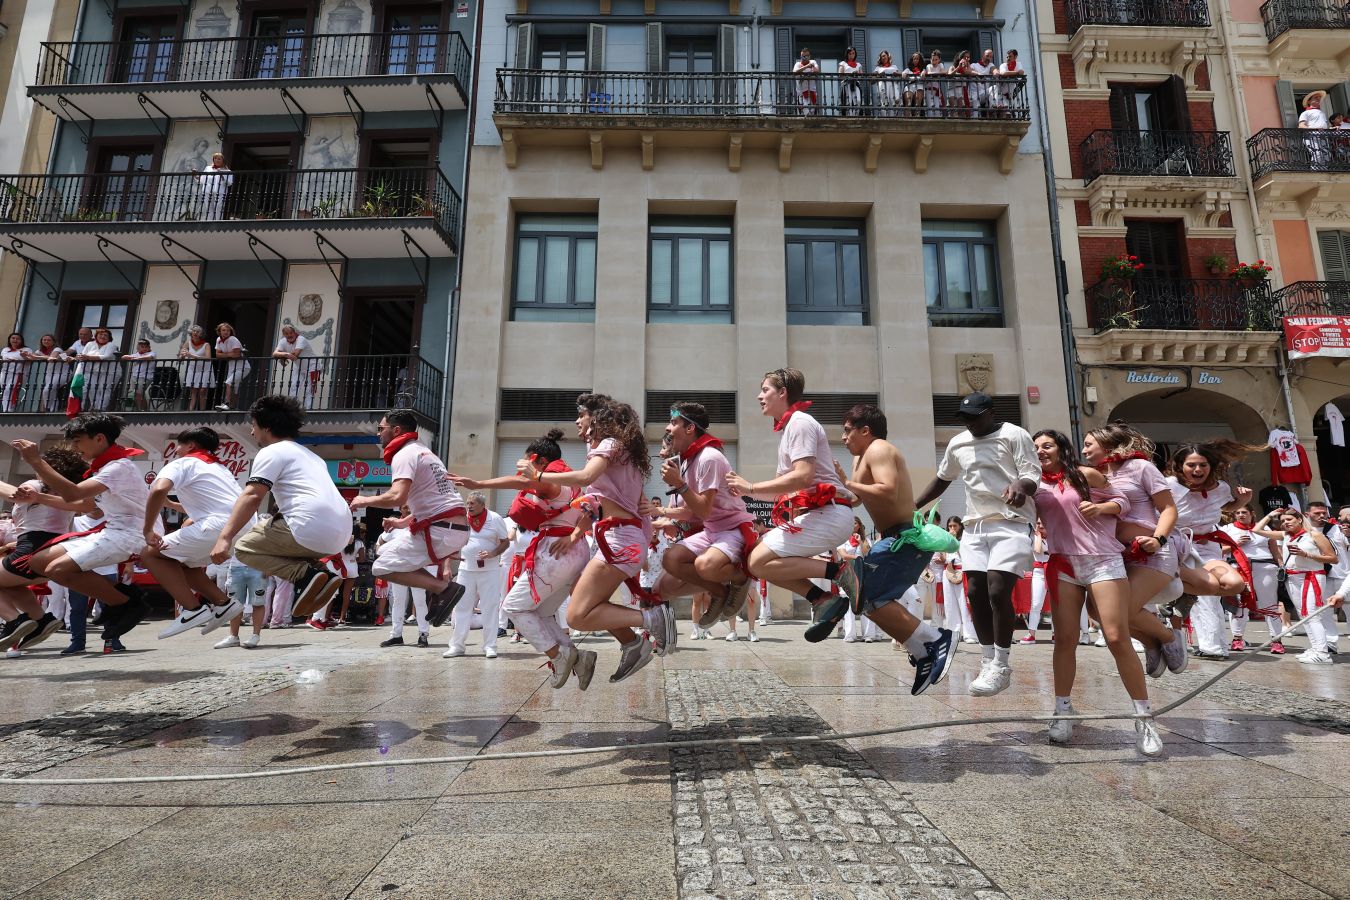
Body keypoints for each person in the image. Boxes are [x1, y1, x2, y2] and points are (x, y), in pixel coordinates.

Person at [522, 394, 676, 682]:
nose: (577, 421)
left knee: (577, 617)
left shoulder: (609, 445)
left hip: (618, 541)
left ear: (596, 419)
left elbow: (584, 478)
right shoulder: (620, 450)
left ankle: (652, 620)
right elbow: (612, 501)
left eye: (581, 415)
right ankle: (633, 645)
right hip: (620, 539)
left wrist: (540, 477)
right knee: (586, 599)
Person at [1031, 430, 1164, 756]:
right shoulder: (1034, 485)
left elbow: (1124, 502)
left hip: (1102, 561)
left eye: (1046, 445)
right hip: (1063, 564)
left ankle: (1143, 717)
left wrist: (1101, 509)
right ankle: (1063, 710)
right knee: (1064, 639)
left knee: (1117, 636)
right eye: (1034, 448)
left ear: (1061, 447)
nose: (1040, 451)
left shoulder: (1086, 474)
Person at [826, 404, 959, 692]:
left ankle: (935, 640)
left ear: (866, 430)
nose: (843, 438)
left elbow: (888, 489)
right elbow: (857, 499)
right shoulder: (860, 459)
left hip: (904, 538)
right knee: (863, 597)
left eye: (848, 431)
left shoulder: (879, 449)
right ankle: (922, 650)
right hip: (891, 539)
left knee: (866, 595)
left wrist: (847, 483)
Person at [913, 391, 1038, 697]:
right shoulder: (958, 443)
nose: (969, 423)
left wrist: (1020, 486)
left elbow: (1032, 474)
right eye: (965, 418)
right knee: (975, 592)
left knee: (998, 590)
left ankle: (1002, 662)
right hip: (974, 525)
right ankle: (988, 660)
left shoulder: (1014, 435)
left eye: (975, 417)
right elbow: (943, 478)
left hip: (1011, 522)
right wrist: (913, 507)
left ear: (991, 413)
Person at [452, 427, 598, 687]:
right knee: (542, 612)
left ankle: (558, 656)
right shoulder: (572, 479)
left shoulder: (551, 478)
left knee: (513, 607)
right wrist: (576, 536)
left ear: (540, 461)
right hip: (572, 553)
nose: (523, 470)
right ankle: (577, 657)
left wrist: (479, 483)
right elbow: (589, 513)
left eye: (527, 463)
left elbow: (523, 482)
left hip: (556, 553)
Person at [726, 369, 858, 643]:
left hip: (830, 514)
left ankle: (841, 573)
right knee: (757, 562)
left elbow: (803, 475)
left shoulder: (800, 423)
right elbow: (785, 487)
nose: (759, 396)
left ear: (782, 392)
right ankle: (822, 599)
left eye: (765, 390)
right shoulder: (790, 428)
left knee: (758, 561)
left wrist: (749, 487)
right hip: (822, 515)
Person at [11, 415, 153, 651]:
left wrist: (36, 461)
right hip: (112, 531)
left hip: (131, 534)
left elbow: (73, 495)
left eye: (77, 441)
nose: (74, 447)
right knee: (37, 561)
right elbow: (87, 506)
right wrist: (38, 496)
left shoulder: (117, 467)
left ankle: (126, 603)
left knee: (56, 569)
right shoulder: (106, 466)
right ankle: (119, 600)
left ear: (99, 439)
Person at [210, 395, 351, 619]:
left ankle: (304, 575)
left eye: (253, 425)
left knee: (244, 547)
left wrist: (224, 537)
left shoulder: (272, 452)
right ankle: (321, 573)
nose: (252, 432)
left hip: (309, 528)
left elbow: (253, 495)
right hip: (339, 536)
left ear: (266, 427)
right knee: (278, 537)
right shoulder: (314, 457)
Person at [349, 409, 470, 636]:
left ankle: (444, 588)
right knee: (386, 553)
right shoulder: (426, 453)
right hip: (450, 529)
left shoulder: (404, 454)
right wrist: (401, 523)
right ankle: (440, 590)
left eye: (380, 429)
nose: (378, 434)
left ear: (396, 430)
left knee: (380, 566)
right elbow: (431, 503)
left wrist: (364, 500)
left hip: (439, 531)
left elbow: (397, 497)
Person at [1081, 424, 1189, 674]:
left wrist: (1158, 540)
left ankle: (1170, 637)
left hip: (1152, 552)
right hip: (1116, 556)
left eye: (1089, 444)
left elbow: (1169, 509)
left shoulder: (1141, 467)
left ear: (1107, 443)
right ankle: (1150, 642)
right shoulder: (1094, 473)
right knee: (1096, 611)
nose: (1084, 450)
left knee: (1121, 610)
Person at [649, 402, 755, 626]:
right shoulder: (688, 460)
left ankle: (739, 578)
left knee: (705, 566)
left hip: (732, 529)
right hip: (711, 531)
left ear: (690, 429)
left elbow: (702, 510)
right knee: (670, 560)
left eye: (674, 422)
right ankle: (718, 592)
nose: (668, 428)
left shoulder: (709, 457)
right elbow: (692, 512)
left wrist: (678, 485)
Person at [146, 426, 248, 640]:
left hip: (217, 526)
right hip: (240, 526)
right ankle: (224, 604)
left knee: (149, 553)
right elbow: (216, 505)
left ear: (191, 445)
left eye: (179, 446)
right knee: (184, 564)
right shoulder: (220, 468)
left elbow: (157, 489)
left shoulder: (183, 462)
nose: (176, 451)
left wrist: (147, 529)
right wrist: (172, 505)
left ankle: (192, 610)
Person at [1166, 440, 1257, 659]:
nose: (1198, 470)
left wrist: (1243, 501)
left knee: (1233, 585)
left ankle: (1186, 595)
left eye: (1203, 465)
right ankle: (1207, 645)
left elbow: (1224, 508)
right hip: (1176, 547)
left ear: (1211, 466)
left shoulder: (1221, 488)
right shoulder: (1169, 485)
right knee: (1204, 591)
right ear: (1180, 466)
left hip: (1208, 547)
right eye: (1191, 465)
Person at [0, 446, 92, 652]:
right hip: (54, 554)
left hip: (30, 551)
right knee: (10, 584)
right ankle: (41, 620)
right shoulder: (68, 495)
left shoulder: (34, 485)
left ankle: (14, 620)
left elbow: (13, 494)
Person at [439, 492, 509, 659]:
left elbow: (505, 542)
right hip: (466, 569)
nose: (468, 506)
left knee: (489, 608)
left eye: (472, 503)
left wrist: (493, 554)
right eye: (468, 503)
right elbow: (451, 543)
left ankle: (490, 646)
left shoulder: (495, 518)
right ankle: (457, 646)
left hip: (489, 571)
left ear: (482, 505)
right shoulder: (462, 519)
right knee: (462, 607)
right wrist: (447, 566)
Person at [1274, 508, 1337, 664]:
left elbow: (1333, 558)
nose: (1285, 523)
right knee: (1304, 616)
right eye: (1282, 521)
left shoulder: (1315, 534)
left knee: (1312, 614)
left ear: (1300, 519)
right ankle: (1315, 648)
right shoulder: (1287, 537)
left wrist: (1307, 554)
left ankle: (1323, 653)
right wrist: (1270, 515)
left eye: (1289, 519)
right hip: (1293, 578)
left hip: (1312, 576)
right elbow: (1257, 530)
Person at [1222, 507, 1283, 653]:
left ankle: (1276, 640)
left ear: (1252, 514)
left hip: (1265, 566)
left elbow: (1274, 549)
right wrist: (1236, 544)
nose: (1241, 515)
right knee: (1239, 604)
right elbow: (1219, 550)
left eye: (1244, 512)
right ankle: (1237, 639)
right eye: (1237, 512)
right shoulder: (1227, 529)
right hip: (1239, 568)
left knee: (1270, 604)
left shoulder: (1264, 527)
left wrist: (1282, 566)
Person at [214, 561, 267, 649]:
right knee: (235, 604)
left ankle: (255, 635)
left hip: (258, 566)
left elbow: (270, 547)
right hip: (235, 567)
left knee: (258, 602)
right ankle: (233, 637)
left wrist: (268, 565)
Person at [941, 517, 978, 644]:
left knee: (964, 603)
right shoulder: (946, 540)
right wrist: (945, 544)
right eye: (950, 526)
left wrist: (955, 543)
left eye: (954, 526)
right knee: (950, 604)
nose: (952, 529)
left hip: (961, 571)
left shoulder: (964, 540)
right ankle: (953, 633)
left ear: (960, 526)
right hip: (948, 571)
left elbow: (965, 556)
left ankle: (969, 633)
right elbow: (943, 558)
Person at [272, 324, 319, 410]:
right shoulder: (283, 341)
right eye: (286, 334)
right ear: (284, 335)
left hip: (312, 366)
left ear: (294, 332)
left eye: (291, 333)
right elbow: (275, 353)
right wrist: (286, 354)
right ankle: (292, 408)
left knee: (309, 389)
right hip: (299, 366)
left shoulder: (301, 339)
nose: (289, 335)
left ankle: (308, 409)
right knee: (294, 386)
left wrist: (283, 356)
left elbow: (296, 354)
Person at [78, 327, 120, 412]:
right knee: (92, 388)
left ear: (109, 338)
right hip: (93, 371)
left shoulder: (111, 345)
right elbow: (82, 355)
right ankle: (95, 407)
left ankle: (101, 408)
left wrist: (88, 357)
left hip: (110, 372)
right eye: (101, 334)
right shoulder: (90, 344)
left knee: (104, 389)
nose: (103, 336)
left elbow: (106, 357)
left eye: (106, 335)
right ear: (96, 336)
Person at [178, 325, 215, 411]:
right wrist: (182, 355)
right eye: (194, 331)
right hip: (193, 369)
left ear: (201, 334)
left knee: (202, 391)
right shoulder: (188, 343)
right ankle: (190, 411)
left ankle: (201, 411)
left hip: (205, 369)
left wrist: (191, 355)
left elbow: (208, 358)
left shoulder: (206, 344)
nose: (195, 333)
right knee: (193, 391)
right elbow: (181, 357)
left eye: (198, 331)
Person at [214, 322, 248, 411]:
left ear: (230, 332)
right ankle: (232, 407)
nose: (226, 332)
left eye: (228, 330)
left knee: (229, 383)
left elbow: (237, 354)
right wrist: (229, 354)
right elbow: (217, 355)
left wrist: (224, 354)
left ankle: (226, 403)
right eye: (223, 330)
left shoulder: (233, 339)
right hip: (232, 367)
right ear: (219, 331)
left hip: (242, 367)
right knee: (234, 388)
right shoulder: (218, 340)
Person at [30, 334, 66, 413]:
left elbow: (52, 358)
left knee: (47, 389)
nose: (46, 341)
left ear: (53, 342)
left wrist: (36, 357)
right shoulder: (39, 351)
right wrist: (25, 355)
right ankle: (52, 410)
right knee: (51, 391)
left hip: (62, 373)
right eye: (44, 340)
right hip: (50, 373)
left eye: (49, 340)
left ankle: (48, 408)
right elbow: (31, 358)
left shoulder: (57, 349)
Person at [195, 151, 233, 220]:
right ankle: (210, 223)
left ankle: (217, 223)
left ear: (223, 161)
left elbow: (230, 183)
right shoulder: (208, 168)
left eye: (219, 159)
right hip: (207, 191)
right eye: (215, 158)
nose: (216, 160)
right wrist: (195, 175)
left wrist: (222, 177)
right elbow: (202, 180)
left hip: (220, 192)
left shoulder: (227, 171)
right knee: (209, 208)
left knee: (219, 207)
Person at [121, 339, 156, 411]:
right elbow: (123, 357)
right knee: (135, 394)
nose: (144, 348)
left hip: (145, 377)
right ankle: (139, 409)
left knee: (140, 393)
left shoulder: (152, 353)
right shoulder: (136, 354)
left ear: (149, 347)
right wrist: (136, 358)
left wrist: (137, 359)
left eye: (146, 347)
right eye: (142, 346)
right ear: (138, 347)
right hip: (134, 376)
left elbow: (149, 358)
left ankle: (144, 410)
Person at [1299, 90, 1330, 169]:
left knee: (1326, 155)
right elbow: (1301, 126)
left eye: (1319, 97)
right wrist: (1315, 129)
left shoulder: (1322, 113)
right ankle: (1315, 171)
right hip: (1312, 137)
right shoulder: (1305, 113)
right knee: (1317, 154)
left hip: (1323, 137)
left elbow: (1325, 126)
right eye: (1316, 97)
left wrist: (1332, 128)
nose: (1318, 99)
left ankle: (1324, 171)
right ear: (1309, 101)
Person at [1, 333, 30, 413]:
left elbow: (29, 361)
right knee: (5, 391)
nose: (15, 340)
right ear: (9, 340)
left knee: (9, 390)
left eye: (17, 338)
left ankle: (7, 410)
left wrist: (23, 356)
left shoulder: (26, 349)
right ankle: (8, 410)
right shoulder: (5, 349)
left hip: (18, 374)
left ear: (21, 341)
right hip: (5, 373)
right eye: (13, 338)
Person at [993, 49, 1025, 115]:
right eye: (1007, 57)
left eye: (1010, 56)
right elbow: (1003, 73)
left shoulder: (1018, 64)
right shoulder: (1003, 65)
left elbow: (1021, 72)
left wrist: (1011, 73)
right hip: (999, 92)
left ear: (1015, 57)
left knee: (1008, 114)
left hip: (1009, 94)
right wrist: (1016, 72)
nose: (1008, 58)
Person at [793, 47, 820, 115]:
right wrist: (807, 66)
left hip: (812, 92)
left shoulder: (813, 62)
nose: (805, 57)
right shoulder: (798, 64)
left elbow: (817, 70)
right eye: (803, 56)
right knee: (803, 115)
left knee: (813, 115)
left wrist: (805, 75)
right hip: (802, 94)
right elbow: (794, 72)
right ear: (801, 57)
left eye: (807, 56)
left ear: (809, 56)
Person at [873, 50, 901, 116]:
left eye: (884, 56)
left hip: (893, 85)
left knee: (894, 101)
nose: (883, 58)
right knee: (884, 102)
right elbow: (872, 80)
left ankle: (892, 117)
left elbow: (899, 78)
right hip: (882, 84)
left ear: (888, 56)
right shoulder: (878, 68)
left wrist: (896, 74)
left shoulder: (894, 67)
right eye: (881, 56)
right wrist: (879, 75)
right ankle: (884, 117)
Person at [838, 47, 864, 115]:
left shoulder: (858, 65)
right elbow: (840, 75)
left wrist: (857, 75)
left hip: (856, 84)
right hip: (847, 84)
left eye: (853, 53)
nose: (852, 56)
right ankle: (849, 116)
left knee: (858, 100)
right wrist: (849, 76)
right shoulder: (843, 63)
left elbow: (862, 76)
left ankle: (857, 115)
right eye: (850, 54)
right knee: (848, 101)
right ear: (847, 54)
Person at [922, 50, 946, 117]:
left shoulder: (940, 65)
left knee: (937, 105)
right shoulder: (928, 66)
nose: (934, 61)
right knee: (929, 105)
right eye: (933, 60)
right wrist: (936, 74)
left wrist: (934, 74)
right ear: (930, 59)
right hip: (928, 88)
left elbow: (943, 72)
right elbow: (929, 73)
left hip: (936, 89)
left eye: (936, 59)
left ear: (939, 60)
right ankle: (930, 119)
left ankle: (937, 119)